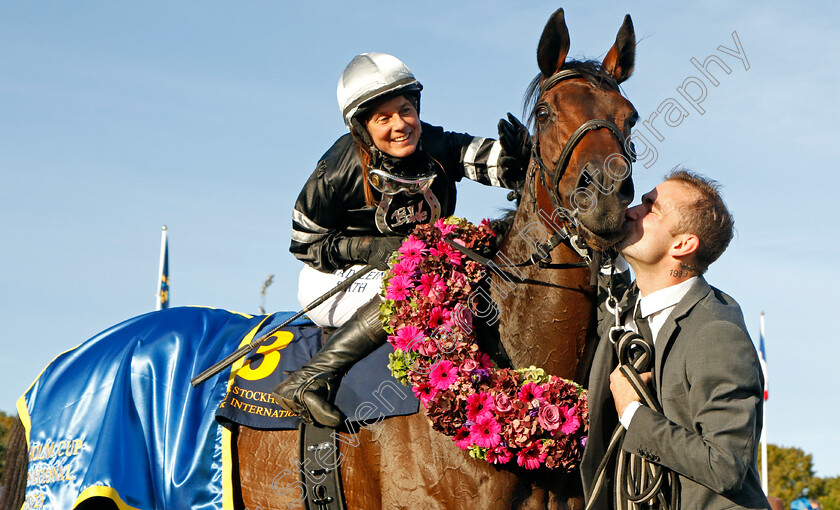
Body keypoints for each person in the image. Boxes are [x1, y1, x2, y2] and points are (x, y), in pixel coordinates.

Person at [274, 52, 531, 427]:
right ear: (362, 127)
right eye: (383, 118)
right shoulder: (335, 170)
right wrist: (369, 249)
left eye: (406, 110)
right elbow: (303, 243)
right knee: (417, 289)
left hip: (405, 270)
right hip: (333, 277)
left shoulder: (436, 144)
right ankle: (306, 380)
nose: (400, 125)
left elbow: (484, 158)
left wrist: (519, 161)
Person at [581, 169, 771, 509]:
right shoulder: (622, 313)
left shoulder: (717, 331)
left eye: (651, 207)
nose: (631, 210)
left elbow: (725, 465)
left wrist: (633, 414)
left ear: (683, 244)